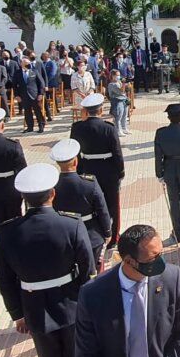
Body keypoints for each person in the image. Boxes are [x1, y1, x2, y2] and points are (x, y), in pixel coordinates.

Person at [0, 164, 95, 357]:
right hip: (70, 301)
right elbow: (87, 268)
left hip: (33, 306)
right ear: (53, 193)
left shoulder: (7, 231)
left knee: (47, 355)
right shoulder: (71, 225)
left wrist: (17, 314)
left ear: (24, 198)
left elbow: (5, 279)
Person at [74, 225, 180, 357]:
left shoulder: (172, 277)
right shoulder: (92, 294)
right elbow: (86, 353)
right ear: (129, 261)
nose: (161, 262)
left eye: (161, 254)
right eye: (152, 258)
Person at [71, 93, 125, 248]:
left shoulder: (77, 127)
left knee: (91, 205)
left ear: (86, 111)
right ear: (101, 110)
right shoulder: (108, 128)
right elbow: (117, 153)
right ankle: (113, 237)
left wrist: (79, 169)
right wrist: (120, 172)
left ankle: (97, 234)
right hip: (108, 171)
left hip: (87, 169)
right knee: (112, 205)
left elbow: (74, 150)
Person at [50, 139, 112, 266]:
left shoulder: (52, 187)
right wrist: (107, 232)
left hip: (65, 236)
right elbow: (102, 209)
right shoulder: (89, 183)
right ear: (76, 161)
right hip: (91, 235)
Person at [154, 104, 180, 243]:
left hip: (169, 170)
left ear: (168, 117)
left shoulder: (160, 133)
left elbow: (158, 156)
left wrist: (159, 173)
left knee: (174, 202)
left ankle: (177, 232)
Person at [15, 58, 47, 134]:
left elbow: (41, 83)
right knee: (27, 111)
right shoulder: (17, 73)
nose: (28, 64)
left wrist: (41, 94)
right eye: (26, 63)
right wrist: (17, 95)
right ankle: (30, 127)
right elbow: (14, 85)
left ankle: (41, 125)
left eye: (29, 63)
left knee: (37, 111)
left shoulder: (34, 71)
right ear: (22, 64)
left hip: (34, 95)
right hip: (24, 95)